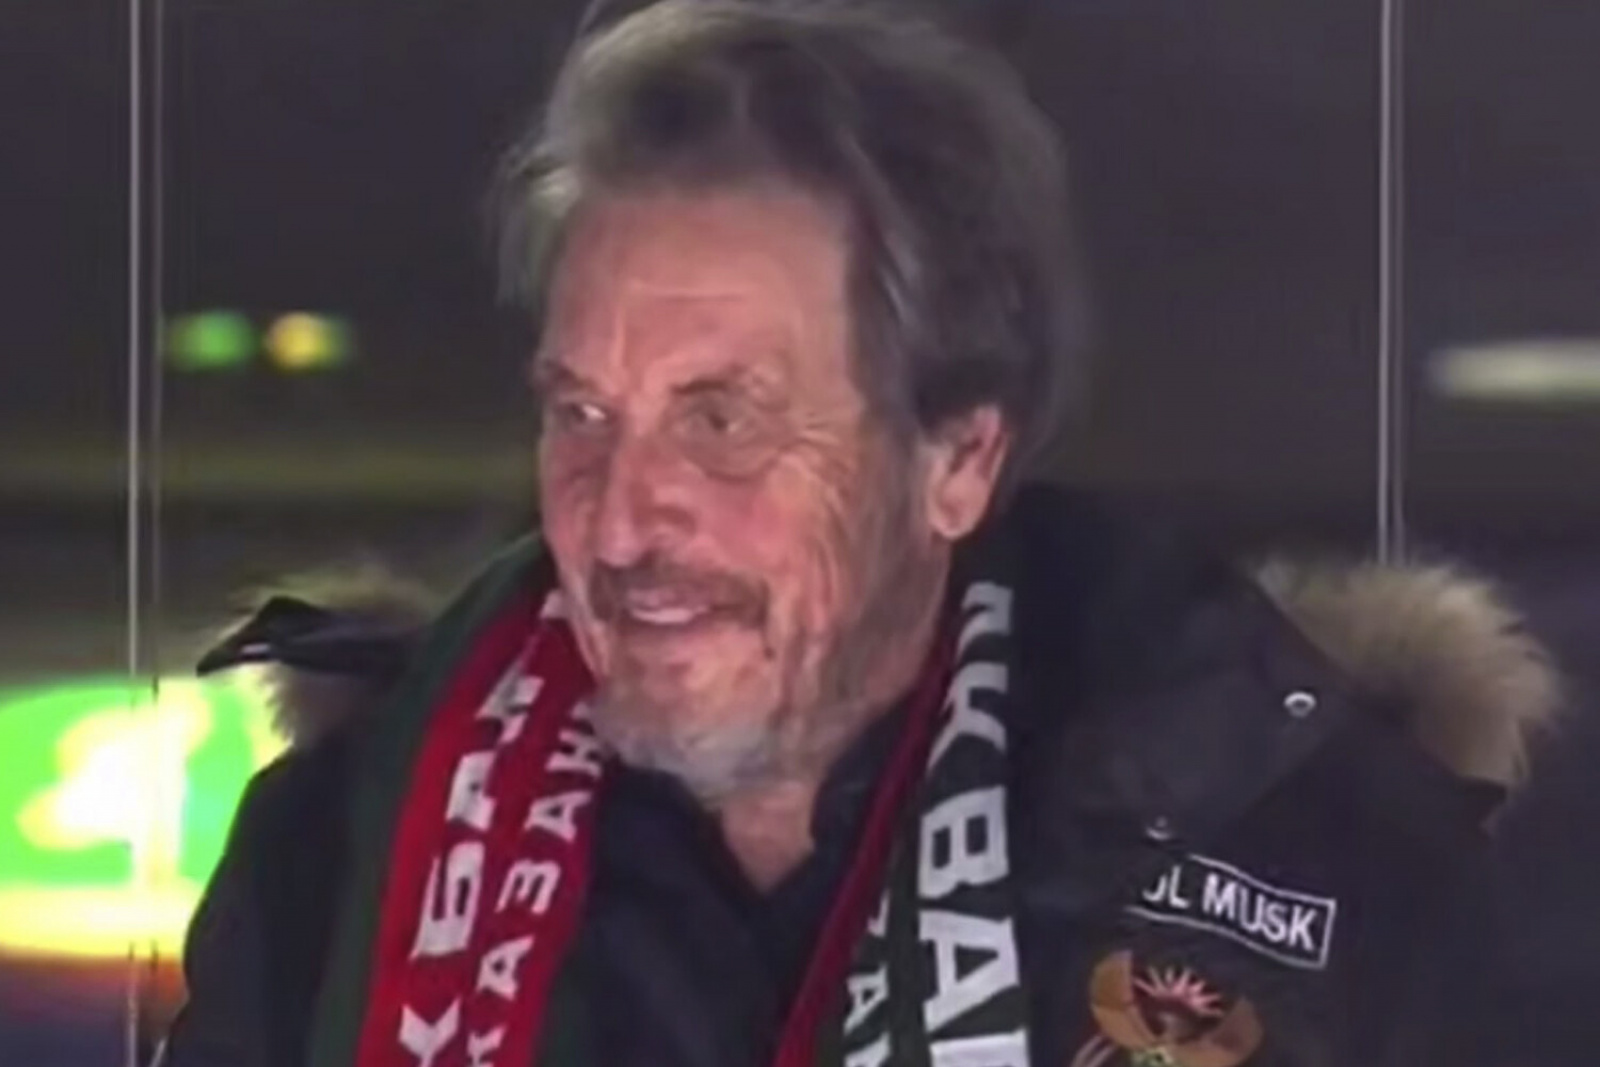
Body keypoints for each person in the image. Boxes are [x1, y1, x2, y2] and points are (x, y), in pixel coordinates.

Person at [155, 2, 1559, 1065]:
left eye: (722, 421)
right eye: (581, 414)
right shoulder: (343, 853)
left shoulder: (1316, 851)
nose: (619, 517)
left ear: (957, 461)